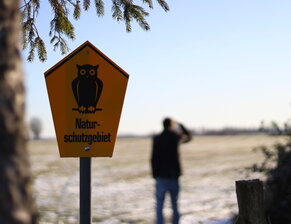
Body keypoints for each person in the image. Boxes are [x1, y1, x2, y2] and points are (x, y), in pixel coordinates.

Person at [151, 118, 192, 224]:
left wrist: (155, 174)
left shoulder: (157, 138)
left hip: (160, 176)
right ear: (171, 125)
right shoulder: (175, 137)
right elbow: (188, 137)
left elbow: (153, 157)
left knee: (159, 204)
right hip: (173, 176)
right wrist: (181, 125)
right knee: (175, 204)